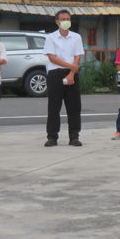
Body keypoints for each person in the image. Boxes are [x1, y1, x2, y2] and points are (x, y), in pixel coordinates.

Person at [43, 10, 84, 147]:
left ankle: (74, 136)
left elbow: (78, 55)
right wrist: (71, 66)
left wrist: (72, 72)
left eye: (68, 18)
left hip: (72, 73)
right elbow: (52, 57)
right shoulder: (51, 38)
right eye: (63, 19)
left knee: (74, 106)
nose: (66, 21)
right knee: (54, 107)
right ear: (57, 22)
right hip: (56, 74)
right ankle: (52, 137)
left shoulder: (76, 37)